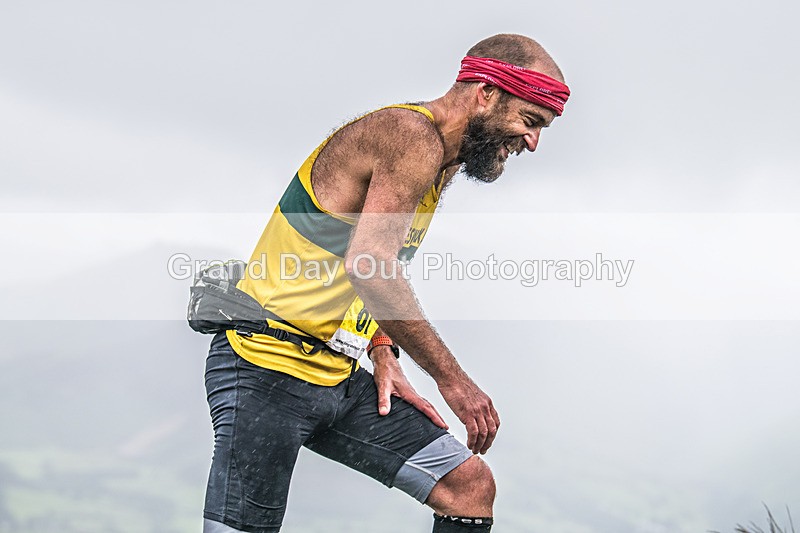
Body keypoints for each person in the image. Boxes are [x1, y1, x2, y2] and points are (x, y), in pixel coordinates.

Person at [202, 33, 569, 533]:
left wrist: (382, 349)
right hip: (265, 365)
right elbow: (372, 266)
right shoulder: (410, 136)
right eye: (529, 122)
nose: (532, 142)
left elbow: (354, 263)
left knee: (468, 486)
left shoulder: (441, 160)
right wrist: (454, 381)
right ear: (485, 91)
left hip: (335, 373)